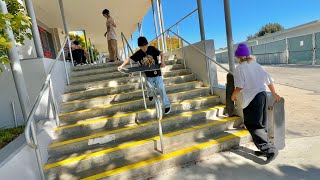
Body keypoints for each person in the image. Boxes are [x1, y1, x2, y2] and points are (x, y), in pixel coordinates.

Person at [231, 43, 281, 163]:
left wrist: (233, 95)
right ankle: (264, 148)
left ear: (239, 57)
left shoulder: (240, 68)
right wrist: (274, 93)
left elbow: (239, 86)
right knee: (261, 124)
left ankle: (270, 150)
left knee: (253, 124)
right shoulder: (257, 65)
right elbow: (269, 80)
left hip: (252, 98)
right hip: (262, 96)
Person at [117, 37, 171, 114]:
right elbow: (129, 58)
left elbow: (161, 53)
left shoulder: (152, 48)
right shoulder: (138, 53)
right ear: (139, 47)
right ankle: (149, 94)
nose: (144, 48)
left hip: (157, 74)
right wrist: (122, 66)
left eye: (145, 46)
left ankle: (167, 105)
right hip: (148, 76)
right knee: (149, 88)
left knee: (161, 88)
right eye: (142, 47)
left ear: (147, 44)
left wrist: (162, 62)